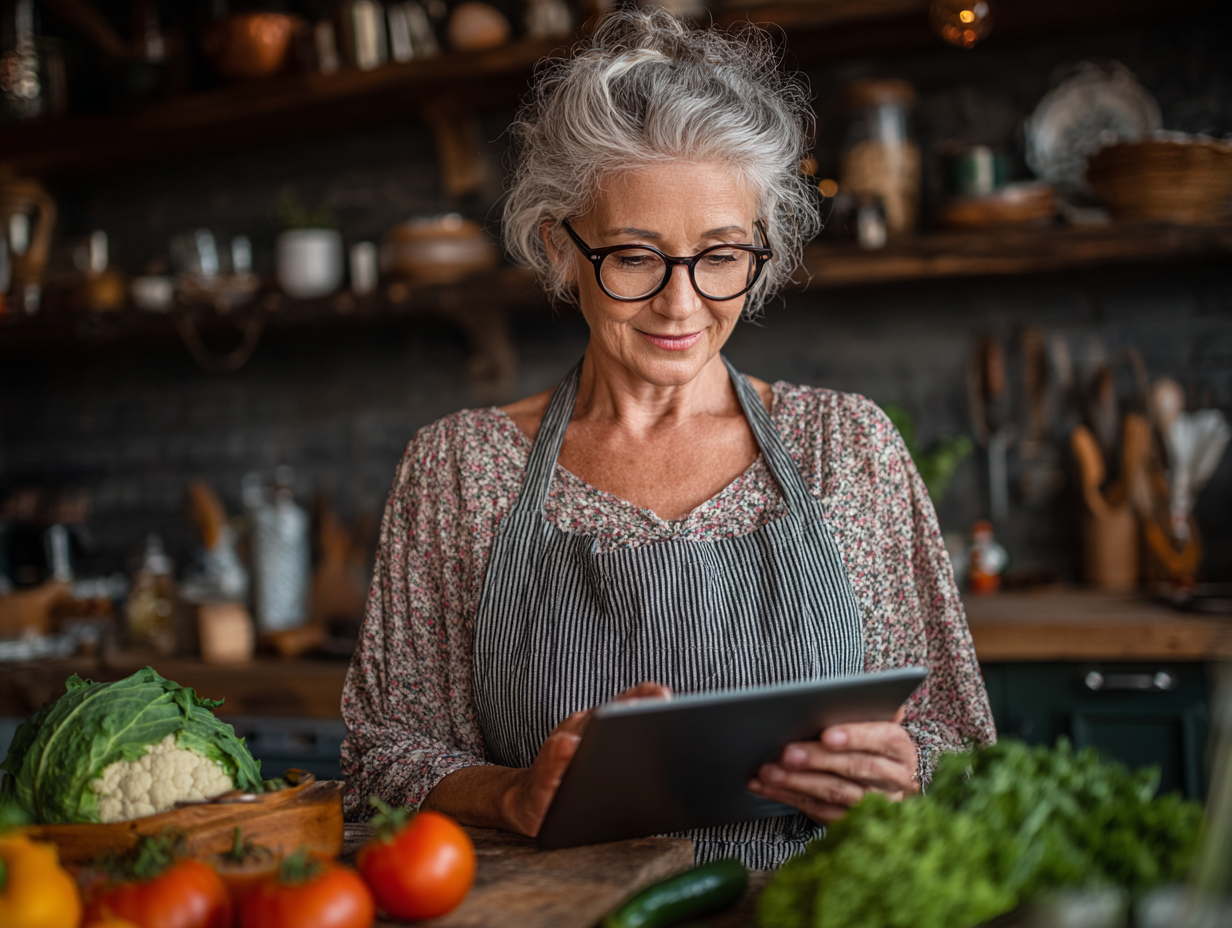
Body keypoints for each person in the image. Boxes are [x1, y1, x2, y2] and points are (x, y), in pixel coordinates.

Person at [341, 9, 996, 868]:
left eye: (722, 255)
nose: (681, 305)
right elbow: (378, 762)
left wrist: (910, 770)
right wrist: (508, 793)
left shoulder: (844, 446)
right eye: (636, 257)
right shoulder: (461, 469)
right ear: (560, 248)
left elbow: (966, 746)